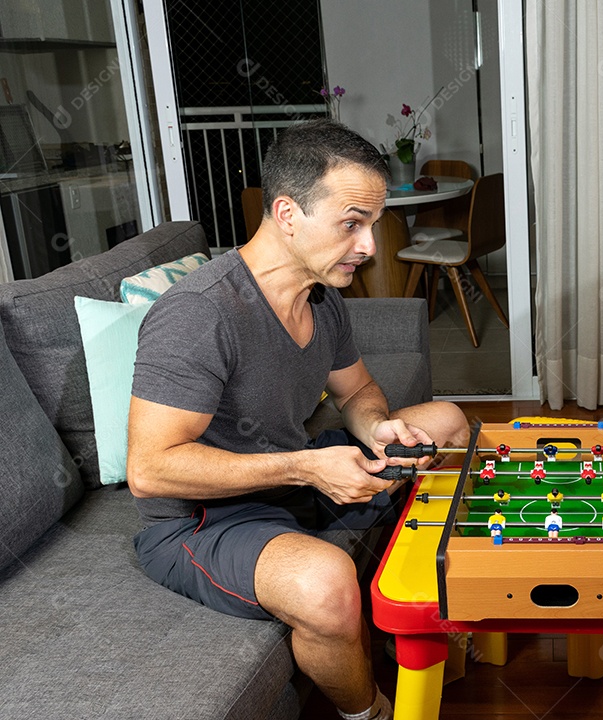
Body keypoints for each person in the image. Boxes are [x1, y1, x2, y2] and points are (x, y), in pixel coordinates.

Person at [127, 119, 470, 720]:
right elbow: (151, 471)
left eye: (372, 224)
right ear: (287, 213)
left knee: (444, 420)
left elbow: (358, 388)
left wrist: (375, 429)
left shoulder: (321, 295)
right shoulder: (198, 314)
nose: (368, 245)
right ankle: (371, 713)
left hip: (290, 482)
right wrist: (309, 467)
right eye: (351, 224)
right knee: (327, 583)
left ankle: (426, 616)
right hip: (202, 521)